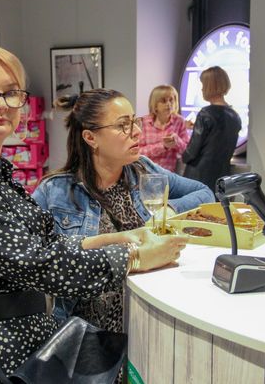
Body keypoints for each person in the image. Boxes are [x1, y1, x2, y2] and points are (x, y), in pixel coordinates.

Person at [0, 42, 187, 383]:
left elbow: (48, 243)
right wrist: (135, 256)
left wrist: (122, 237)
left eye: (11, 93)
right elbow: (34, 263)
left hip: (24, 345)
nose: (0, 103)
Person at [32, 88, 214, 329]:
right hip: (88, 333)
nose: (137, 131)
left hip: (148, 320)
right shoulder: (55, 191)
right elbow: (33, 257)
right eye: (123, 125)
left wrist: (169, 208)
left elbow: (205, 193)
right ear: (90, 138)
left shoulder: (143, 170)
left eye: (135, 121)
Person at [182, 66, 242, 192]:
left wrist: (183, 156)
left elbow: (192, 151)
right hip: (222, 178)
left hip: (198, 176)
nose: (202, 89)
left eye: (203, 85)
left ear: (209, 86)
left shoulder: (205, 114)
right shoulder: (235, 116)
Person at [138, 85, 190, 172]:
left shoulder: (179, 121)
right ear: (155, 104)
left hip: (169, 175)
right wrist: (163, 146)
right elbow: (139, 153)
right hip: (147, 173)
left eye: (171, 100)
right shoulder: (144, 122)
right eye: (163, 101)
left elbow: (187, 152)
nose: (169, 104)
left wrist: (177, 141)